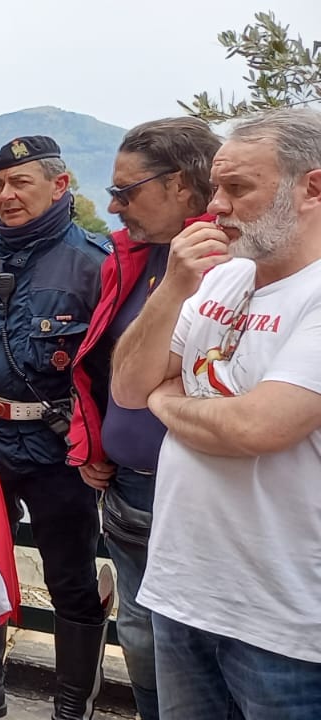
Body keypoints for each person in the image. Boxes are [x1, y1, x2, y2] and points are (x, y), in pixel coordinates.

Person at [110, 107, 321, 718]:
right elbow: (127, 386)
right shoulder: (218, 280)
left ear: (312, 188)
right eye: (216, 188)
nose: (217, 206)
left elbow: (259, 426)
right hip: (183, 594)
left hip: (283, 624)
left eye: (237, 188)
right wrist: (175, 287)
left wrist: (167, 397)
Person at [0, 137, 112, 720]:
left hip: (56, 446)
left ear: (60, 185)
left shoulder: (94, 262)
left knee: (70, 577)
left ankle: (71, 709)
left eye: (21, 183)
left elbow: (109, 367)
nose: (7, 196)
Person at [64, 118, 221, 720]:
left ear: (180, 185)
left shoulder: (233, 259)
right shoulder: (127, 257)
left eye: (126, 192)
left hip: (194, 490)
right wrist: (92, 440)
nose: (113, 205)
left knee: (194, 646)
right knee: (141, 633)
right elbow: (100, 362)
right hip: (126, 486)